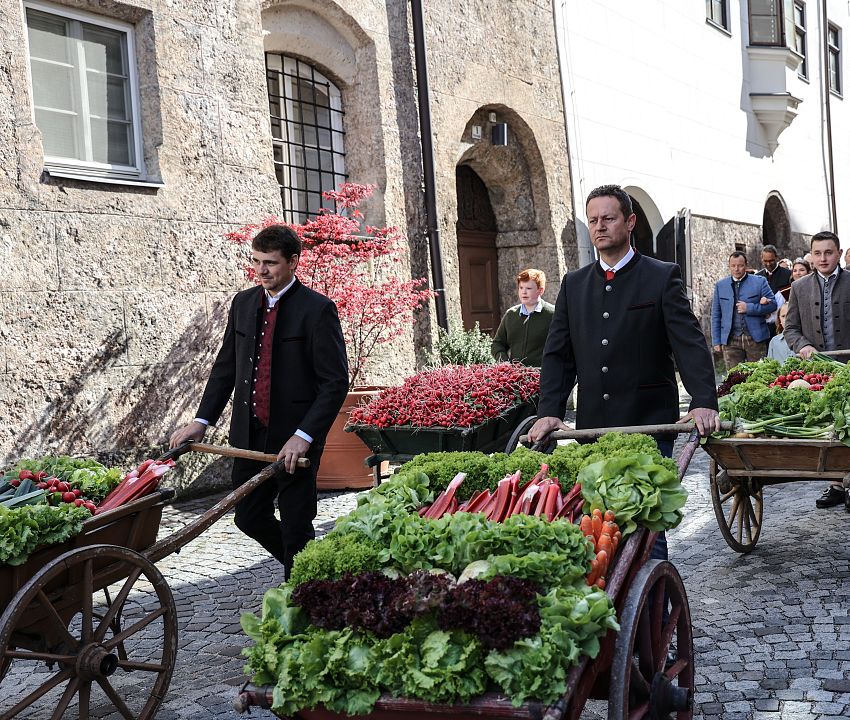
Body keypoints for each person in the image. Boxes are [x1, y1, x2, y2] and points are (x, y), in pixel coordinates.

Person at [169, 225, 349, 577]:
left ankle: (303, 598)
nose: (261, 270)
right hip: (248, 435)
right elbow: (225, 369)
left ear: (294, 261)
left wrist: (305, 435)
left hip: (296, 440)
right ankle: (316, 573)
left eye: (270, 262)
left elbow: (334, 383)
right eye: (256, 261)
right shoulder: (243, 303)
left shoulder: (318, 309)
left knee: (297, 524)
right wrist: (201, 421)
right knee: (248, 516)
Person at [528, 184, 719, 453]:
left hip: (649, 424)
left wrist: (703, 400)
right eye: (593, 220)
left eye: (608, 218)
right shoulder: (574, 284)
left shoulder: (662, 276)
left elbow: (689, 344)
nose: (599, 226)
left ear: (630, 222)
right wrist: (549, 410)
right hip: (594, 425)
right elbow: (558, 354)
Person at [783, 231, 850, 511]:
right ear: (811, 255)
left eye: (829, 252)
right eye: (818, 253)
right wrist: (803, 345)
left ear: (838, 253)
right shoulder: (799, 288)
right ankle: (836, 484)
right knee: (828, 426)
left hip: (848, 367)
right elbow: (791, 328)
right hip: (817, 374)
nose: (823, 258)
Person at [711, 251, 776, 369]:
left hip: (755, 338)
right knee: (734, 378)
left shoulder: (760, 281)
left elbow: (773, 305)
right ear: (729, 266)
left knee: (758, 375)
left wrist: (749, 308)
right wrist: (716, 340)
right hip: (730, 340)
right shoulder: (720, 285)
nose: (737, 269)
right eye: (733, 266)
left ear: (746, 265)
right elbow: (716, 315)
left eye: (740, 265)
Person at [491, 268, 555, 366]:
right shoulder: (510, 315)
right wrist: (504, 362)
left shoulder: (553, 314)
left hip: (544, 377)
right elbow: (497, 344)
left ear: (540, 290)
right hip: (515, 377)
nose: (523, 292)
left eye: (528, 288)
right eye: (521, 287)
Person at [756, 245, 792, 337]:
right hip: (763, 325)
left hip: (782, 324)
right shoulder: (757, 277)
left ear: (776, 257)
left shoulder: (788, 274)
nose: (768, 264)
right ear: (761, 259)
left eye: (771, 260)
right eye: (765, 261)